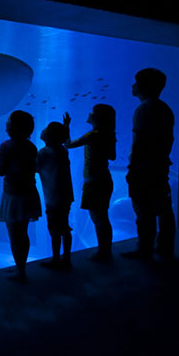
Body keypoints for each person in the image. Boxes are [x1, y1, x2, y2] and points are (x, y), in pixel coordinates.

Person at [121, 68, 176, 261]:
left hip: (144, 169)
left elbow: (140, 141)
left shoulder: (144, 109)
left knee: (144, 210)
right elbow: (168, 140)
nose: (133, 86)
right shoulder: (164, 108)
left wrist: (133, 167)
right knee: (163, 209)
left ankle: (144, 249)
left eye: (136, 82)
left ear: (144, 86)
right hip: (159, 166)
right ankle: (165, 248)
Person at [0, 110, 43, 283]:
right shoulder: (31, 146)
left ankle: (20, 271)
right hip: (28, 194)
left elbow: (1, 171)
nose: (6, 126)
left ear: (14, 128)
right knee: (24, 233)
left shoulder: (6, 146)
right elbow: (35, 168)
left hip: (13, 195)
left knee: (13, 234)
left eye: (8, 124)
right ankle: (21, 267)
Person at [65, 105, 117, 262]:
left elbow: (68, 144)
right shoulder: (109, 134)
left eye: (92, 112)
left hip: (94, 182)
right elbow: (112, 156)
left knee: (98, 218)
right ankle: (105, 250)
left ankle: (103, 252)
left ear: (98, 118)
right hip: (105, 179)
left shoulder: (92, 135)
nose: (89, 113)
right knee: (103, 217)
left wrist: (66, 126)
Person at [36, 120, 75, 270]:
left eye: (46, 129)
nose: (43, 130)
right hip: (65, 195)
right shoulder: (62, 150)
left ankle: (56, 259)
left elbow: (34, 168)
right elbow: (66, 141)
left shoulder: (44, 152)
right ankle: (66, 258)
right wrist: (66, 127)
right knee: (64, 227)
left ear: (50, 136)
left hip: (52, 197)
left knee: (54, 229)